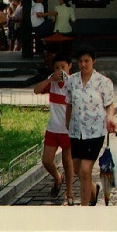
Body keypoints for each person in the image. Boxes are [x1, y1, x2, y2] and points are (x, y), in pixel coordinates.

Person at [65, 44, 117, 206]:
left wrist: (110, 118)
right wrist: (67, 126)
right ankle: (93, 190)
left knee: (86, 170)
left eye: (87, 61)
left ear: (93, 61)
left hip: (95, 132)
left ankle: (84, 209)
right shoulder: (71, 81)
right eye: (80, 61)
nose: (83, 64)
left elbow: (109, 104)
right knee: (79, 170)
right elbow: (69, 105)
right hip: (76, 132)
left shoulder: (103, 82)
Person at [33, 52, 75, 205]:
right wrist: (51, 79)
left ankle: (69, 192)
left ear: (69, 66)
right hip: (52, 128)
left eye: (63, 67)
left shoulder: (73, 83)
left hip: (68, 130)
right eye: (57, 68)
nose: (60, 71)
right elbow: (36, 90)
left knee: (67, 162)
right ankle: (58, 178)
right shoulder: (52, 81)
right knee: (46, 161)